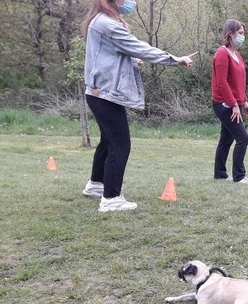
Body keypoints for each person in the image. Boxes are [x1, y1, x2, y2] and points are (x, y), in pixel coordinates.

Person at [80, 0, 195, 212]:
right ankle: (111, 198)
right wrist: (174, 60)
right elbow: (139, 48)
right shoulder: (110, 24)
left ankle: (96, 185)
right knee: (120, 143)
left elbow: (107, 57)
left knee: (108, 141)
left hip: (98, 92)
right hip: (105, 94)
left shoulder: (98, 20)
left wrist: (131, 62)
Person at [212, 19, 248, 185]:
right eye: (241, 33)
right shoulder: (222, 53)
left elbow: (239, 82)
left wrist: (244, 102)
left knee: (226, 140)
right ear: (230, 33)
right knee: (243, 137)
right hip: (224, 104)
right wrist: (234, 105)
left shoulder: (237, 55)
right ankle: (239, 176)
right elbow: (222, 83)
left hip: (235, 103)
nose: (243, 36)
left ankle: (220, 174)